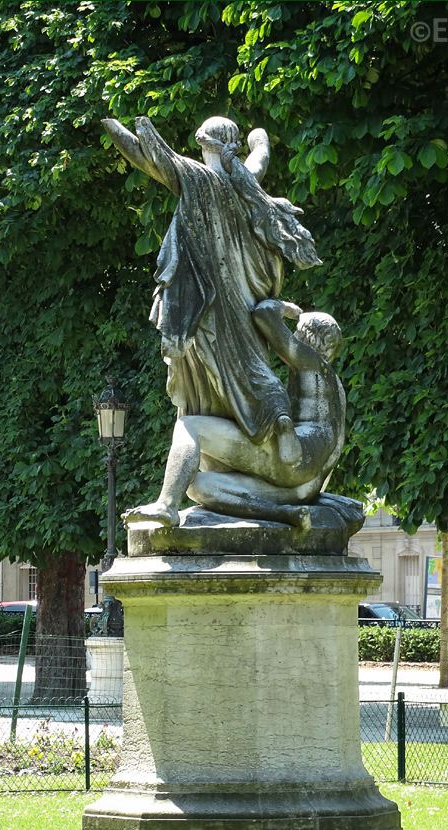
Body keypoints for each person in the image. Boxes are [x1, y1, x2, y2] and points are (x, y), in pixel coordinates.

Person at [101, 114, 321, 451]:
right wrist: (256, 140)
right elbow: (260, 153)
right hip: (244, 304)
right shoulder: (246, 184)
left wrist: (115, 125)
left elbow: (152, 159)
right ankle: (274, 416)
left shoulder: (198, 178)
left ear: (204, 143)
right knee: (251, 363)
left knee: (207, 377)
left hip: (204, 302)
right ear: (231, 144)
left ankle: (215, 441)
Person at [125, 301, 346, 529]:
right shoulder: (333, 386)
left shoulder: (311, 362)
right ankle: (283, 514)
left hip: (297, 457)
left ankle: (166, 505)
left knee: (189, 427)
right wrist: (302, 492)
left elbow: (264, 315)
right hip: (303, 477)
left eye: (299, 331)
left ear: (312, 339)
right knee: (198, 485)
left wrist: (289, 309)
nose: (295, 333)